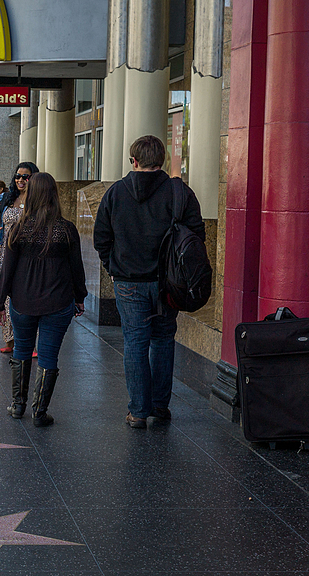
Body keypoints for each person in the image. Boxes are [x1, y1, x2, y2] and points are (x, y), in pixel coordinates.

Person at [94, 135, 205, 429]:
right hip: (168, 284)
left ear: (134, 161)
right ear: (162, 160)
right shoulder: (179, 192)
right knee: (164, 339)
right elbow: (197, 236)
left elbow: (101, 238)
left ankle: (138, 411)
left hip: (128, 281)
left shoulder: (115, 193)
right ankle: (159, 405)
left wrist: (113, 268)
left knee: (135, 342)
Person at [0, 173, 87, 426]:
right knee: (48, 355)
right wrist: (80, 297)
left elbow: (6, 270)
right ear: (54, 195)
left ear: (31, 194)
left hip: (22, 301)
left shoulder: (18, 229)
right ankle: (39, 412)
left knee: (22, 350)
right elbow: (76, 268)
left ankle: (17, 405)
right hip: (58, 302)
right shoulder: (66, 229)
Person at [0, 162, 40, 353]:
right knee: (6, 296)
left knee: (29, 295)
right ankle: (10, 340)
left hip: (30, 255)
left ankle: (30, 343)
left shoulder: (39, 199)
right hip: (6, 253)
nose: (20, 180)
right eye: (18, 176)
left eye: (25, 176)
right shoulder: (6, 197)